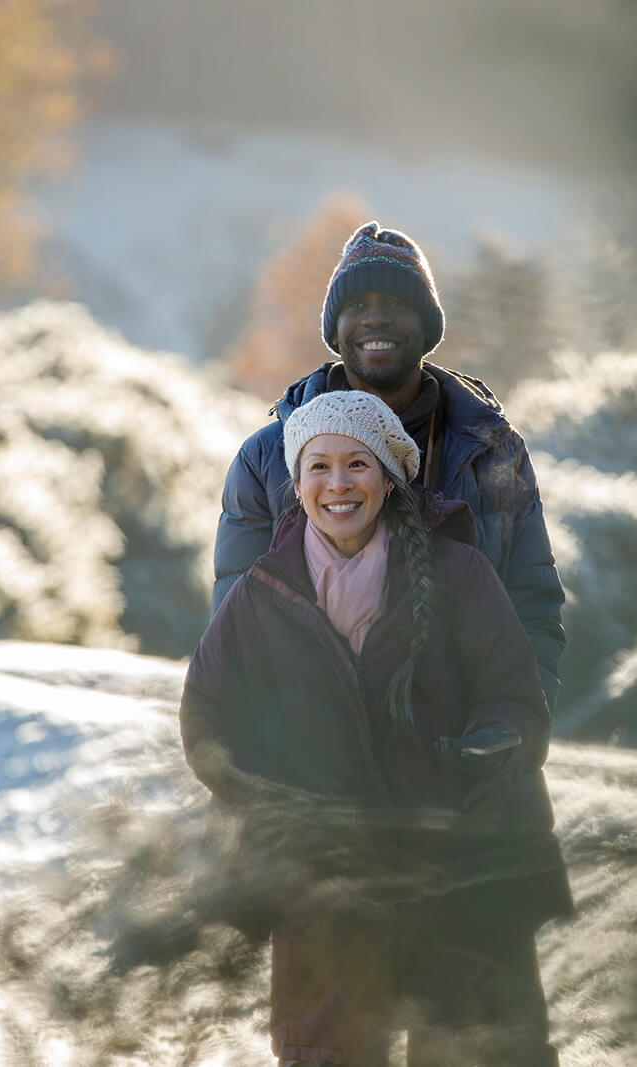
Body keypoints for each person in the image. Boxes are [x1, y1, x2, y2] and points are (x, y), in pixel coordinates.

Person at [181, 390, 572, 1067]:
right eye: (319, 467)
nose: (338, 484)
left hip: (453, 865)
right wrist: (268, 795)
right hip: (323, 882)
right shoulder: (260, 592)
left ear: (390, 475)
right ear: (297, 484)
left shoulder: (458, 573)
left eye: (357, 464)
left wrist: (495, 741)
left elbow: (515, 697)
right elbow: (208, 718)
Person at [213, 221, 566, 711]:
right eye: (357, 306)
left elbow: (533, 601)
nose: (375, 320)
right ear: (334, 331)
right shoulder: (266, 458)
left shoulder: (492, 451)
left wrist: (517, 724)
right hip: (310, 746)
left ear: (428, 329)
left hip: (464, 752)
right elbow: (236, 628)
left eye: (397, 305)